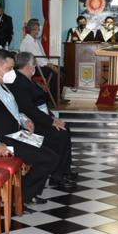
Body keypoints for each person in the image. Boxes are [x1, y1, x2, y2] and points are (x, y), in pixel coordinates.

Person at [0, 50, 60, 205]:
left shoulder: (1, 85)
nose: (12, 72)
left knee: (52, 147)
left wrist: (24, 120)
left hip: (17, 135)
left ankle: (26, 193)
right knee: (48, 159)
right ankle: (19, 197)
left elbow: (11, 110)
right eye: (9, 68)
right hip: (3, 142)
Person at [10, 52, 76, 192]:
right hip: (32, 124)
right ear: (28, 66)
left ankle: (64, 170)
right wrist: (51, 121)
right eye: (34, 64)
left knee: (64, 128)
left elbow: (40, 104)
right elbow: (28, 109)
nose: (35, 67)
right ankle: (57, 176)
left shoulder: (27, 79)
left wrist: (53, 118)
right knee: (60, 134)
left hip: (41, 118)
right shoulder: (18, 82)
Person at [20, 19, 63, 103]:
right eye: (38, 29)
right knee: (54, 74)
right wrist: (50, 66)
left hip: (41, 65)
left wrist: (50, 64)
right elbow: (37, 59)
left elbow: (42, 57)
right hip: (34, 68)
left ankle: (59, 96)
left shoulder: (36, 41)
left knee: (63, 70)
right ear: (33, 30)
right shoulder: (28, 42)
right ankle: (53, 99)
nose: (39, 31)